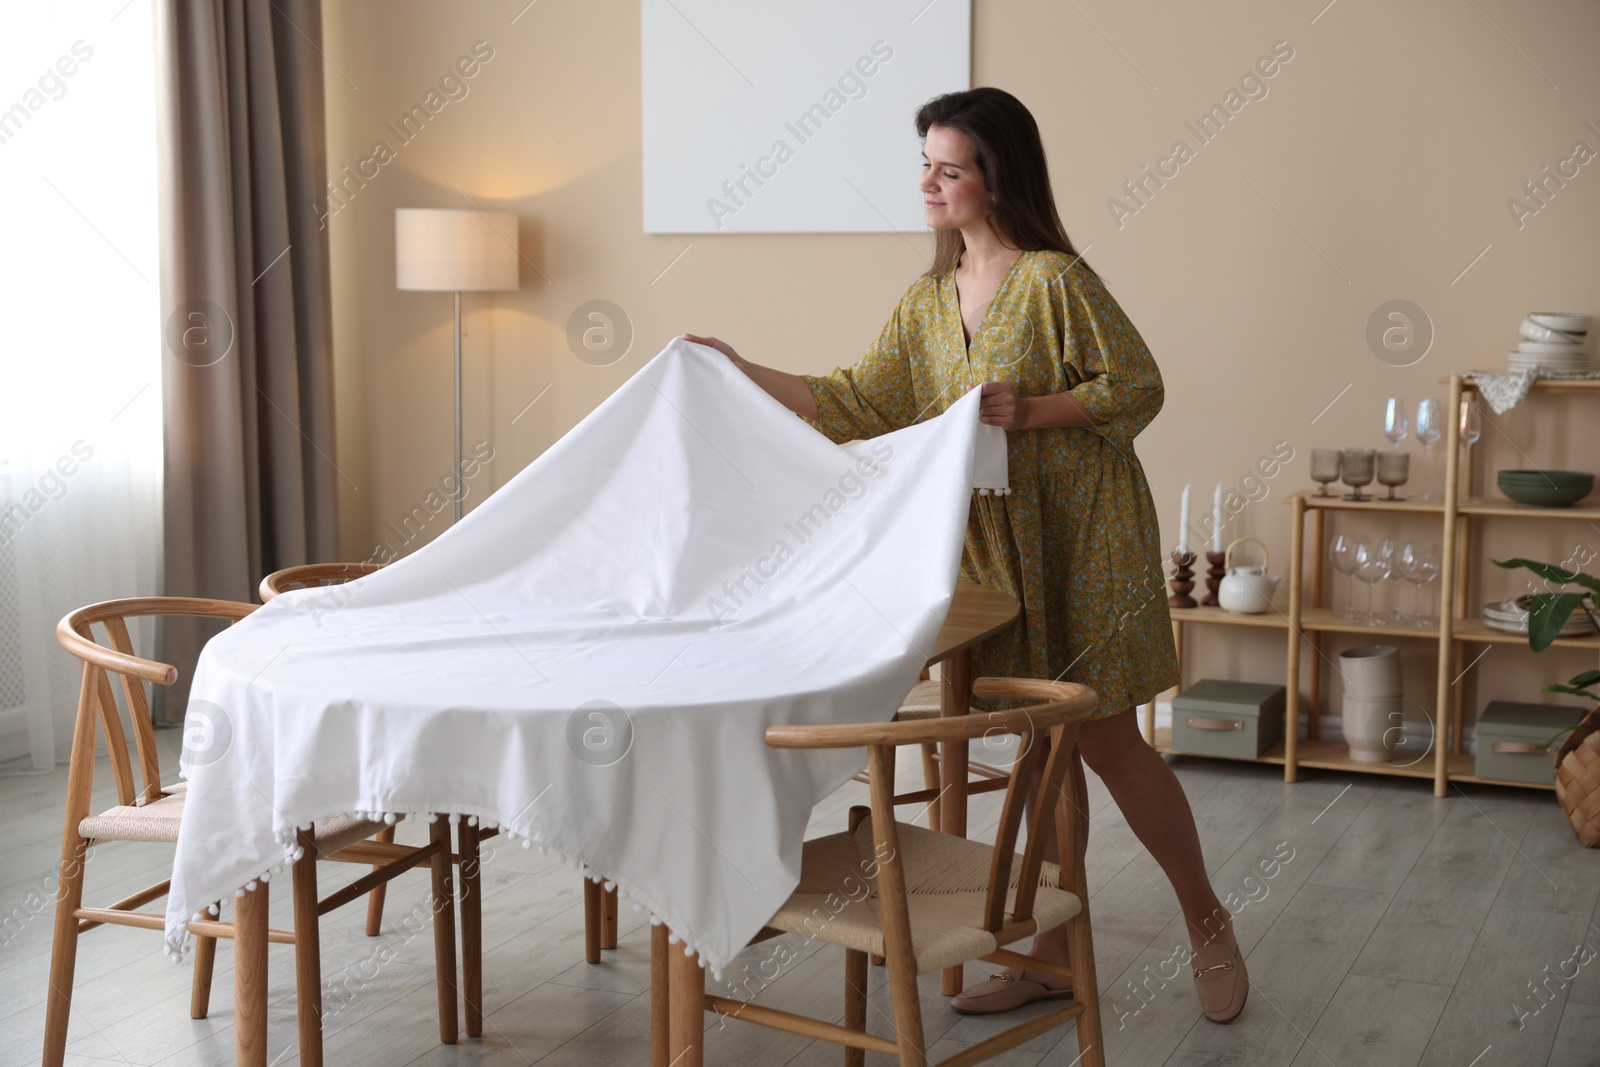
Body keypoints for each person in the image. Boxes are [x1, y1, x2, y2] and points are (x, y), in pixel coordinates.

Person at [682, 87, 1247, 1025]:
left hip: (1084, 538)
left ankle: (1208, 916)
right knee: (1037, 753)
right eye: (926, 165)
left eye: (950, 168)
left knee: (1107, 741)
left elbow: (1137, 387)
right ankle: (1048, 948)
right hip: (993, 547)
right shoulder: (922, 303)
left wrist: (1034, 409)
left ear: (997, 177)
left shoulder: (1054, 280)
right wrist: (738, 366)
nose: (929, 184)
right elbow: (861, 400)